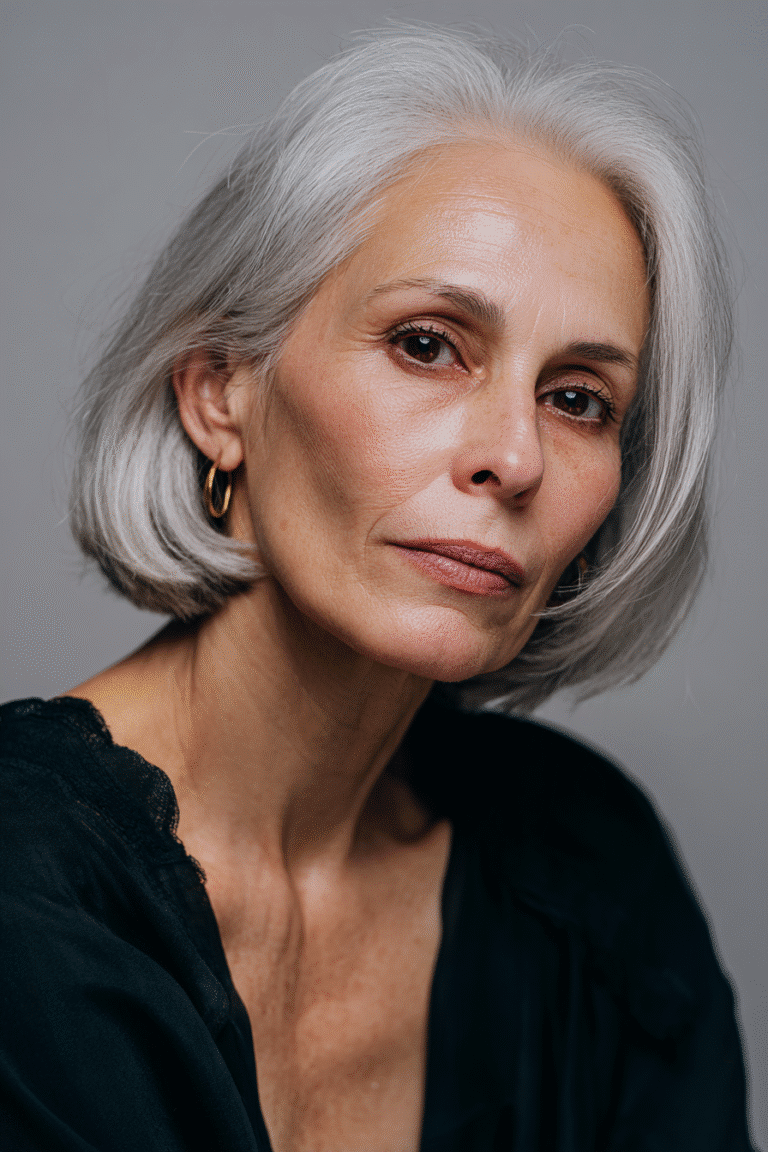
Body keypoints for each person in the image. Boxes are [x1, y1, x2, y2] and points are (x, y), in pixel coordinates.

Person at [0, 24, 755, 1152]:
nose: (515, 458)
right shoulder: (22, 906)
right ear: (219, 392)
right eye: (427, 344)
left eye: (578, 399)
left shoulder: (590, 875)